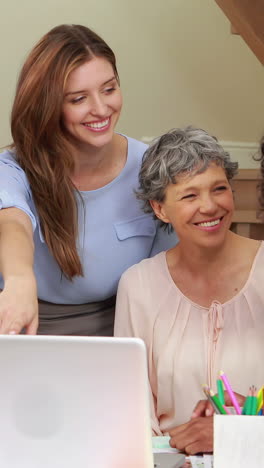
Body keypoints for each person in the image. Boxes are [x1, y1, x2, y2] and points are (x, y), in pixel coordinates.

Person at [0, 24, 176, 336]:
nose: (100, 109)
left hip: (124, 333)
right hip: (22, 333)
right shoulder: (12, 167)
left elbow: (170, 274)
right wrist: (19, 279)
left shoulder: (153, 167)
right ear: (48, 105)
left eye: (109, 89)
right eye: (79, 98)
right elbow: (12, 221)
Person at [114, 126, 264, 454]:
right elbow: (132, 409)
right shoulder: (137, 286)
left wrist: (240, 435)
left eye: (219, 188)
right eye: (190, 195)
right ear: (160, 209)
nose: (210, 207)